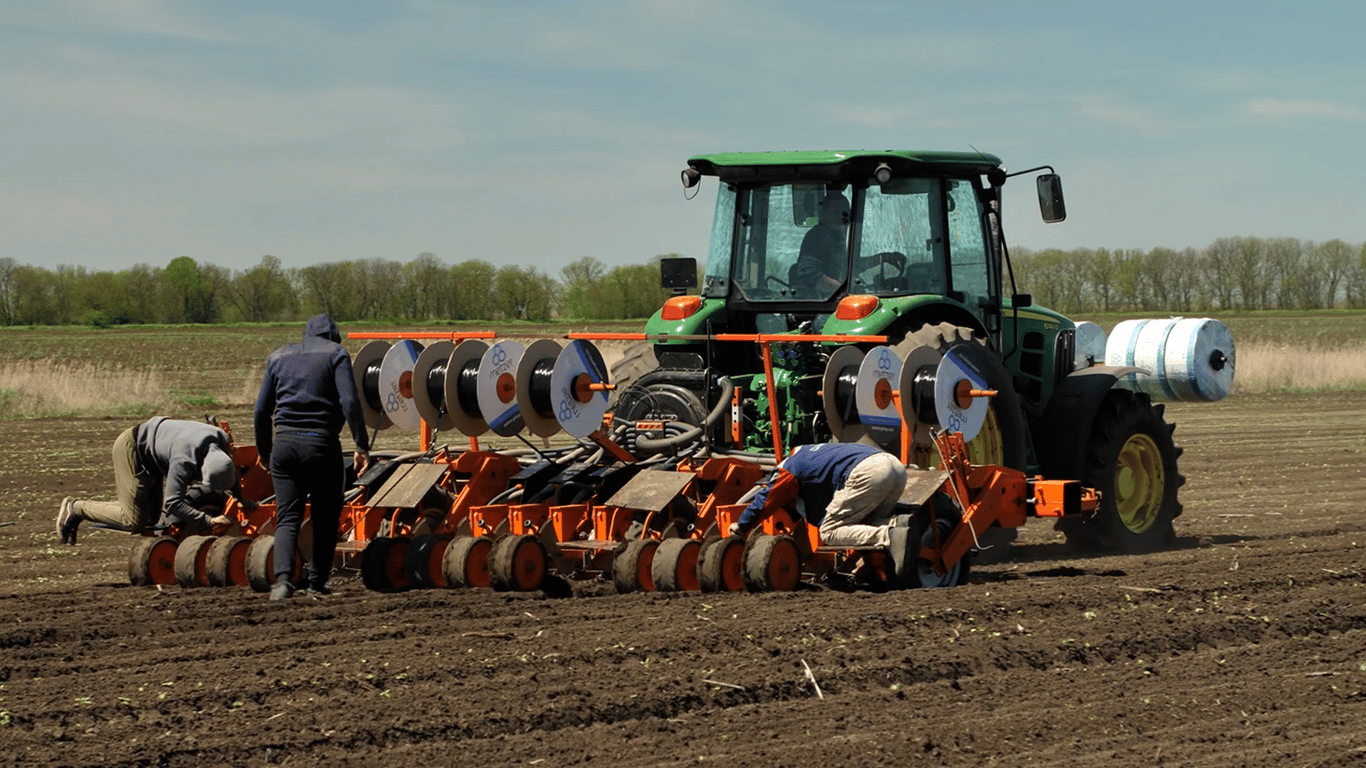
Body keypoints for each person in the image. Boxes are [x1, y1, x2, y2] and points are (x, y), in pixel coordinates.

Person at [254, 314, 371, 601]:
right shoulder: (337, 354)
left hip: (283, 446)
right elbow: (349, 401)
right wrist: (361, 445)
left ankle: (282, 582)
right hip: (321, 445)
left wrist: (264, 452)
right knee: (325, 517)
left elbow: (260, 411)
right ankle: (317, 582)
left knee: (288, 517)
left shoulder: (277, 356)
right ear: (334, 337)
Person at [728, 442, 916, 578]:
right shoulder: (812, 456)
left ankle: (889, 535)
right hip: (895, 468)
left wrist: (741, 526)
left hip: (868, 473)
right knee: (862, 526)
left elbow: (766, 498)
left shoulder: (788, 468)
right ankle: (900, 526)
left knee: (829, 531)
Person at [56, 417, 238, 544]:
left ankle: (125, 505)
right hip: (133, 450)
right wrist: (208, 521)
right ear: (201, 470)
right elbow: (173, 503)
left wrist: (243, 500)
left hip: (153, 451)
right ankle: (76, 508)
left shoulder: (220, 441)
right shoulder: (184, 461)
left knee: (152, 518)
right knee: (133, 521)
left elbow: (232, 473)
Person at [792, 191, 850, 297]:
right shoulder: (817, 236)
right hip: (820, 304)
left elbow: (849, 265)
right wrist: (843, 290)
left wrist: (880, 259)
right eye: (837, 212)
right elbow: (808, 273)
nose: (842, 217)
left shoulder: (837, 238)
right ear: (823, 214)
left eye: (845, 212)